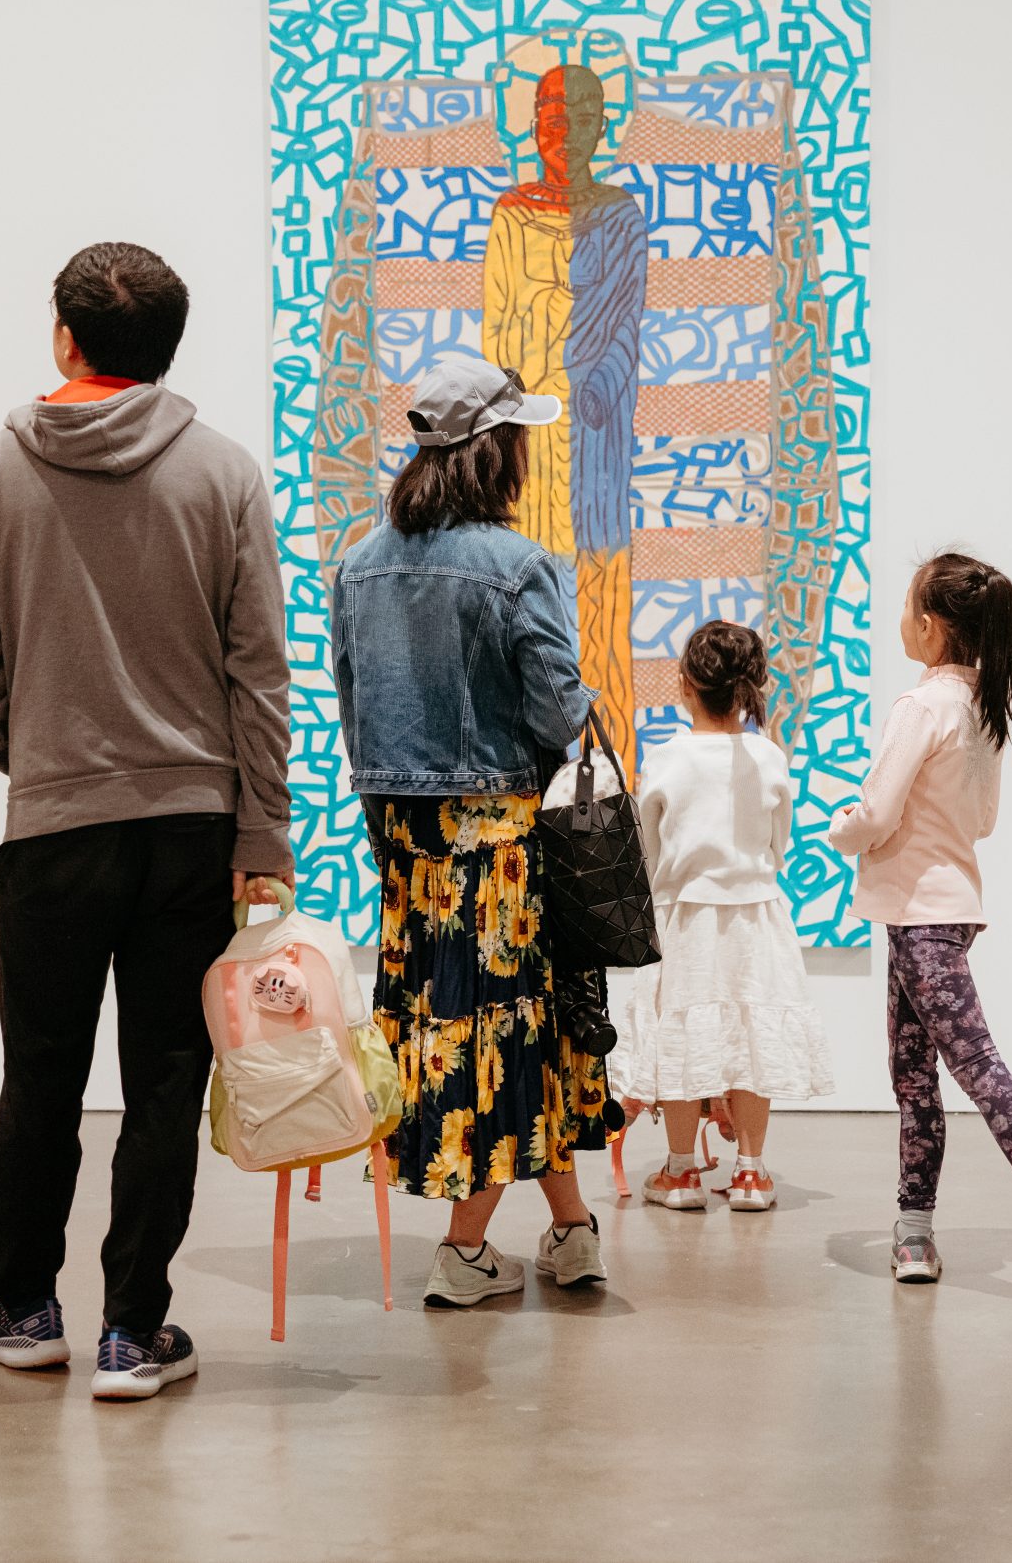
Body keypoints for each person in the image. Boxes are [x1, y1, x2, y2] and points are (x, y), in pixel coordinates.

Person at [0, 242, 292, 1400]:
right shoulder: (226, 474)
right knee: (164, 1084)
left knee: (38, 1075)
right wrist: (262, 836)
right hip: (192, 828)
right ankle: (133, 1333)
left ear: (65, 335)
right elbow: (260, 675)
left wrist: (34, 756)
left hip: (50, 827)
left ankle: (22, 1305)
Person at [329, 355, 617, 1308]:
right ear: (498, 452)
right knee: (503, 1038)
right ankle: (461, 1252)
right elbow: (553, 713)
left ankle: (572, 1232)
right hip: (499, 843)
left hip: (406, 848)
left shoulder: (358, 564)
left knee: (489, 1034)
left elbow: (352, 706)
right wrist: (588, 702)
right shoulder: (520, 565)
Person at [826, 553, 1012, 1307]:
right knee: (915, 1077)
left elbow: (877, 814)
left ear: (930, 624)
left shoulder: (921, 707)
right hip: (939, 910)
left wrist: (842, 830)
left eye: (906, 607)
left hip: (919, 917)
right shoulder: (981, 706)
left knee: (970, 1069)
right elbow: (982, 820)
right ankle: (913, 1230)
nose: (899, 621)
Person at [611, 621, 834, 1212]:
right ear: (749, 686)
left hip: (685, 919)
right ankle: (752, 1174)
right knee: (749, 1038)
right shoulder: (768, 757)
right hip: (756, 917)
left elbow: (647, 850)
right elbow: (778, 845)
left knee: (684, 1036)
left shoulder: (666, 759)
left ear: (685, 684)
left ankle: (682, 1172)